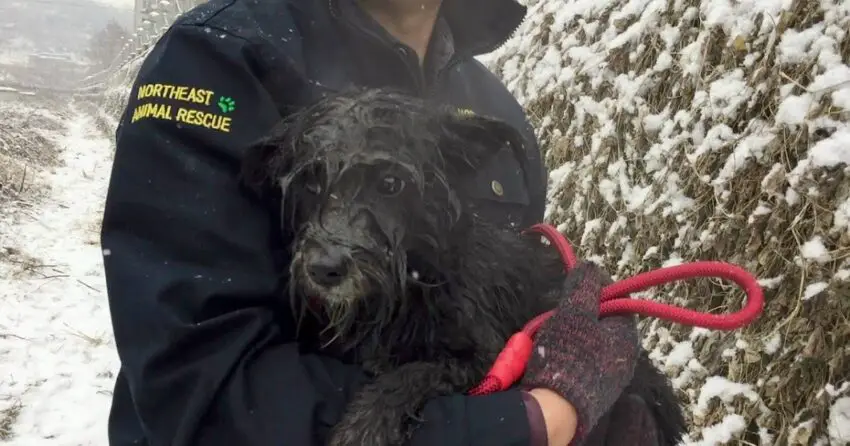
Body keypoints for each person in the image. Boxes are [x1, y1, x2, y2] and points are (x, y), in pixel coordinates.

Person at [100, 0, 648, 445]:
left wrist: (591, 377)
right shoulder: (222, 58)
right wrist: (538, 422)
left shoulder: (494, 113)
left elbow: (494, 327)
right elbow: (203, 392)